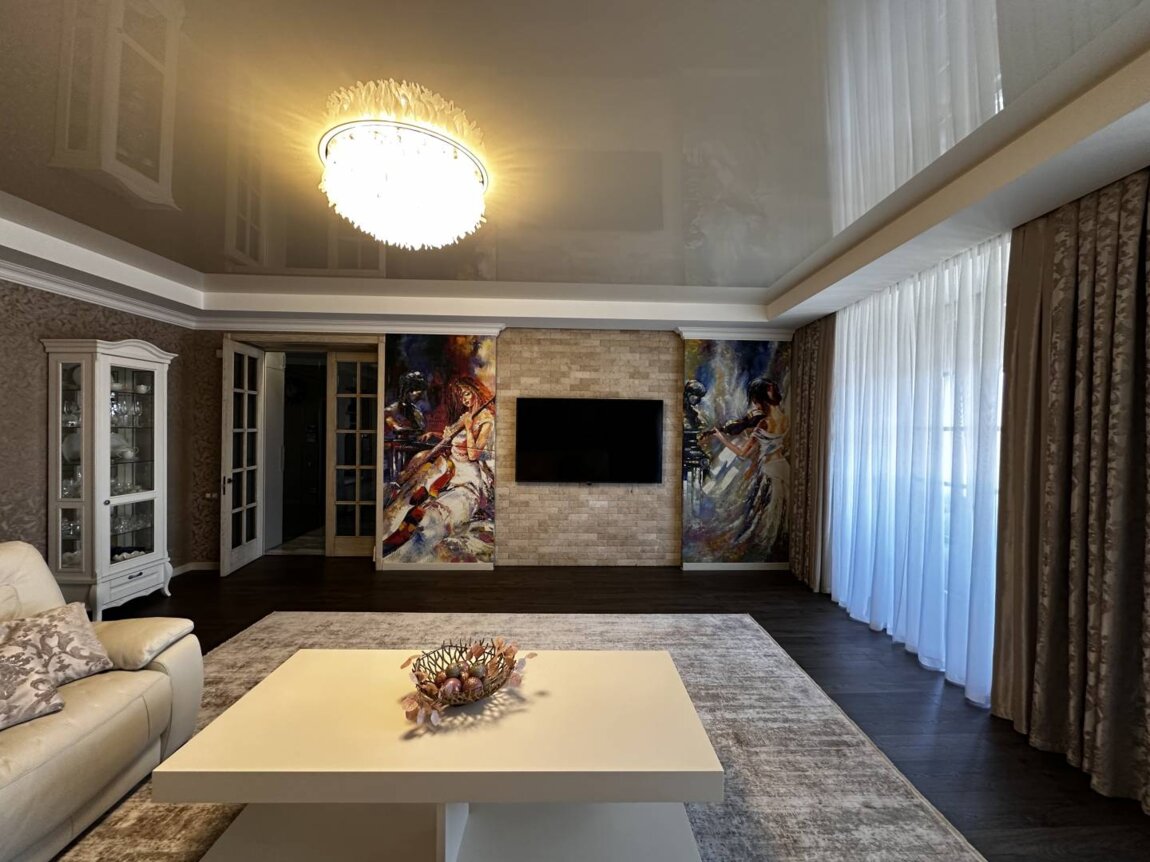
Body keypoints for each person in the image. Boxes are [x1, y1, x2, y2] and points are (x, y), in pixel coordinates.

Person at [380, 376, 495, 562]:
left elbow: (474, 454)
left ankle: (412, 543)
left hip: (467, 476)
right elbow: (453, 441)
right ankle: (394, 533)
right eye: (461, 396)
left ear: (475, 391)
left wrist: (468, 427)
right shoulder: (465, 415)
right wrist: (436, 434)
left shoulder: (486, 420)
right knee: (412, 493)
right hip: (450, 468)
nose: (464, 399)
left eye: (467, 394)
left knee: (434, 515)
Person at [701, 377, 789, 558]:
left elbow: (742, 454)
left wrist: (721, 438)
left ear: (758, 399)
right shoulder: (785, 419)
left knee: (762, 516)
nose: (754, 405)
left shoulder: (763, 423)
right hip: (784, 468)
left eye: (755, 400)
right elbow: (772, 446)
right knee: (781, 514)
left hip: (769, 472)